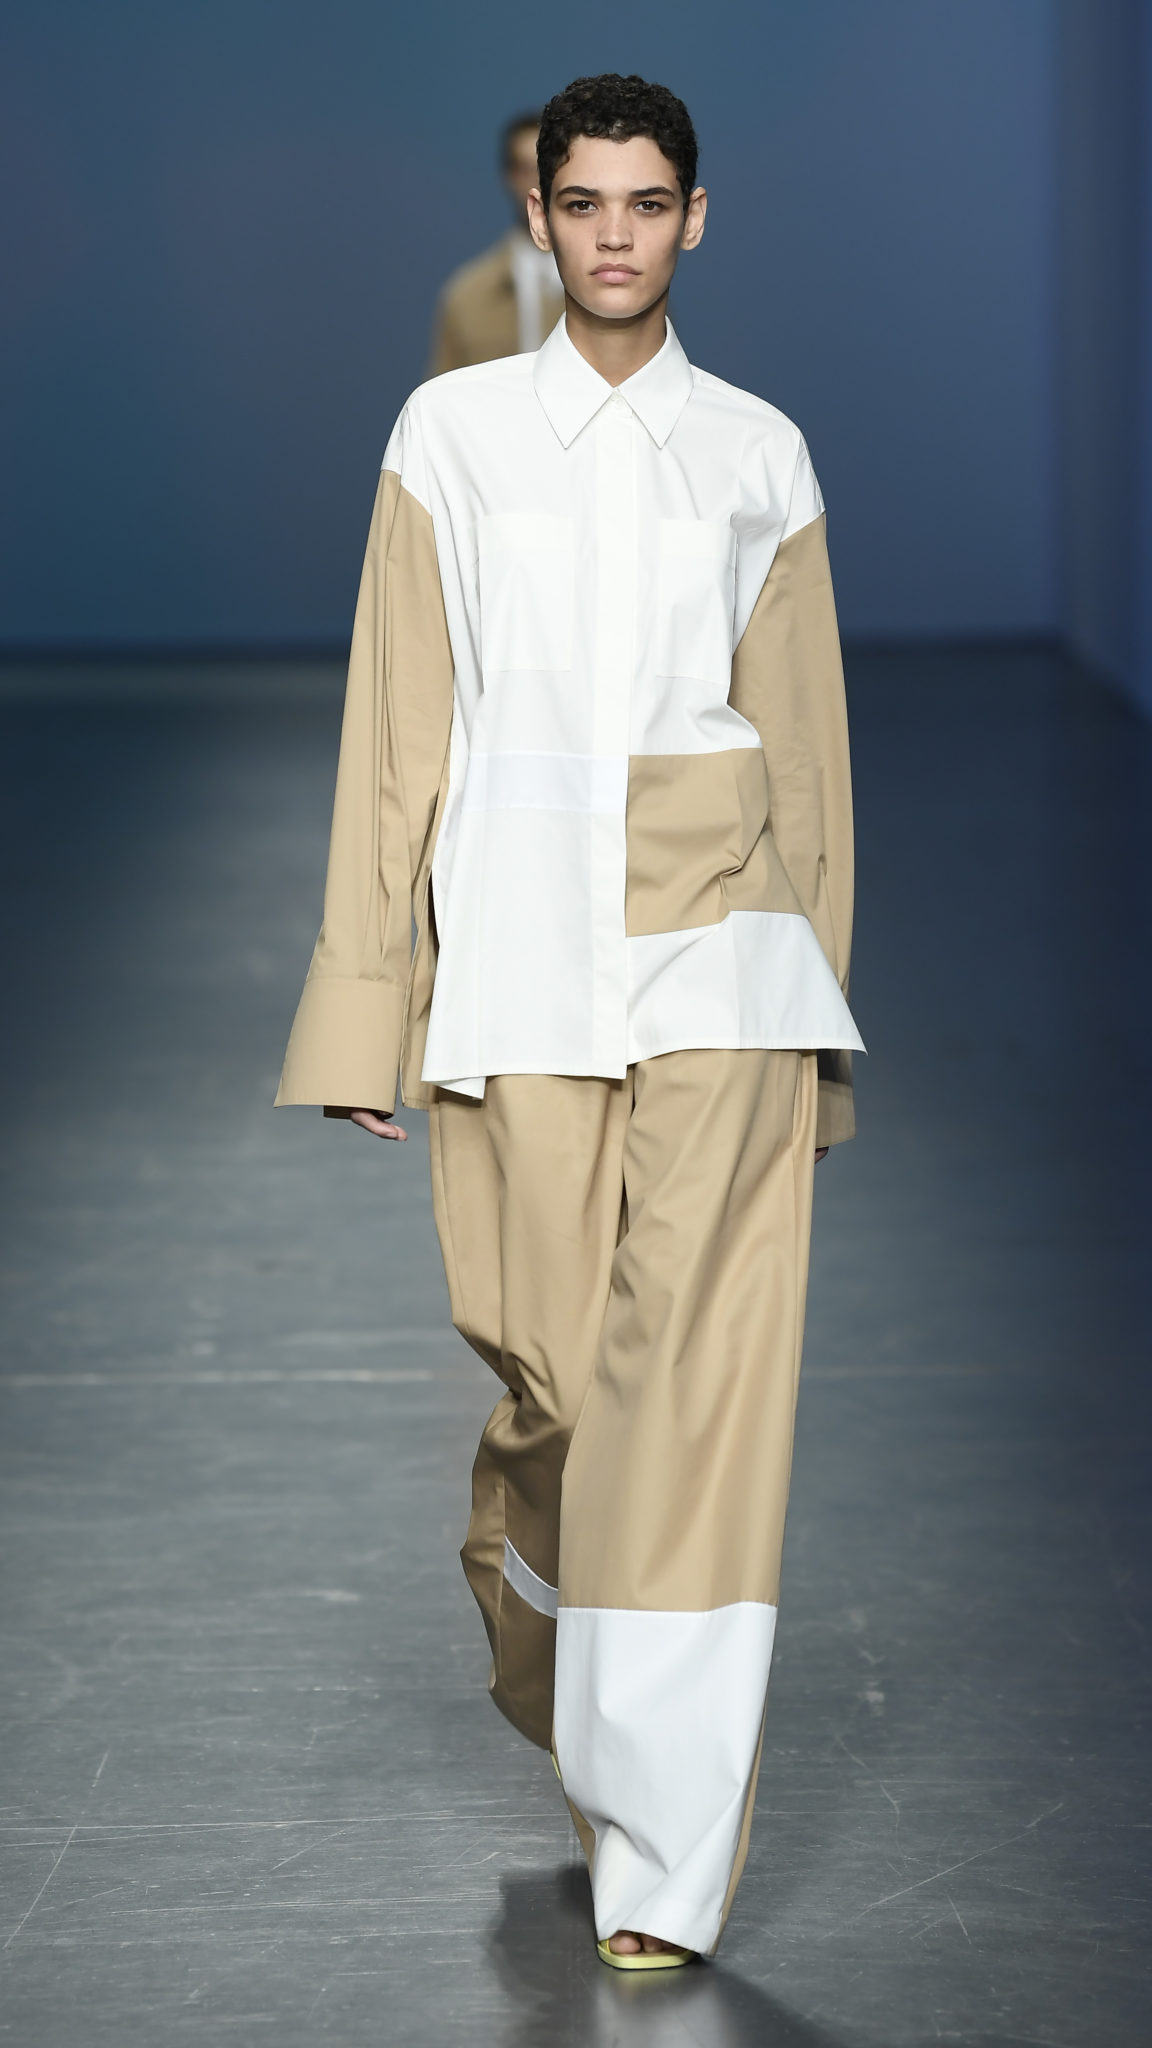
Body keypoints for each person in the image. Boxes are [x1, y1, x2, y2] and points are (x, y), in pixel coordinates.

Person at [277, 72, 863, 1970]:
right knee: (556, 1386)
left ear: (696, 217)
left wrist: (821, 1028)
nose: (615, 233)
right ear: (540, 216)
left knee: (689, 1404)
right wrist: (365, 998)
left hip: (723, 963)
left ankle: (660, 1861)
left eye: (647, 202)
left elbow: (806, 757)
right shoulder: (449, 433)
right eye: (583, 201)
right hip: (519, 959)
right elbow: (397, 728)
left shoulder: (761, 452)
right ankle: (551, 1636)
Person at [428, 110, 564, 372]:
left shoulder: (609, 281)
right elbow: (442, 389)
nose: (539, 181)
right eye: (526, 169)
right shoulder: (467, 296)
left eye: (550, 166)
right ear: (509, 177)